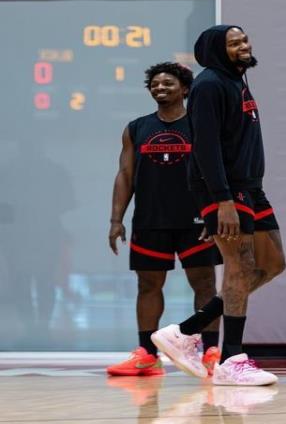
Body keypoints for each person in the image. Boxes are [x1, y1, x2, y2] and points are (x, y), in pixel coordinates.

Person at [152, 26, 286, 386]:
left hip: (251, 188)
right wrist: (222, 200)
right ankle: (231, 359)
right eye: (234, 43)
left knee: (272, 264)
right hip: (225, 191)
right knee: (239, 267)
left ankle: (186, 331)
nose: (244, 45)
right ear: (216, 50)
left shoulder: (236, 80)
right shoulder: (209, 85)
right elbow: (206, 146)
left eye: (244, 39)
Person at [107, 62, 222, 376]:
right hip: (150, 219)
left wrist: (215, 213)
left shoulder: (201, 126)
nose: (160, 87)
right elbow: (125, 174)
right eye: (155, 84)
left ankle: (210, 351)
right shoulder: (136, 128)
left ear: (184, 89)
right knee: (147, 285)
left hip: (196, 220)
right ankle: (147, 355)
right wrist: (116, 219)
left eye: (168, 83)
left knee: (204, 283)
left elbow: (218, 172)